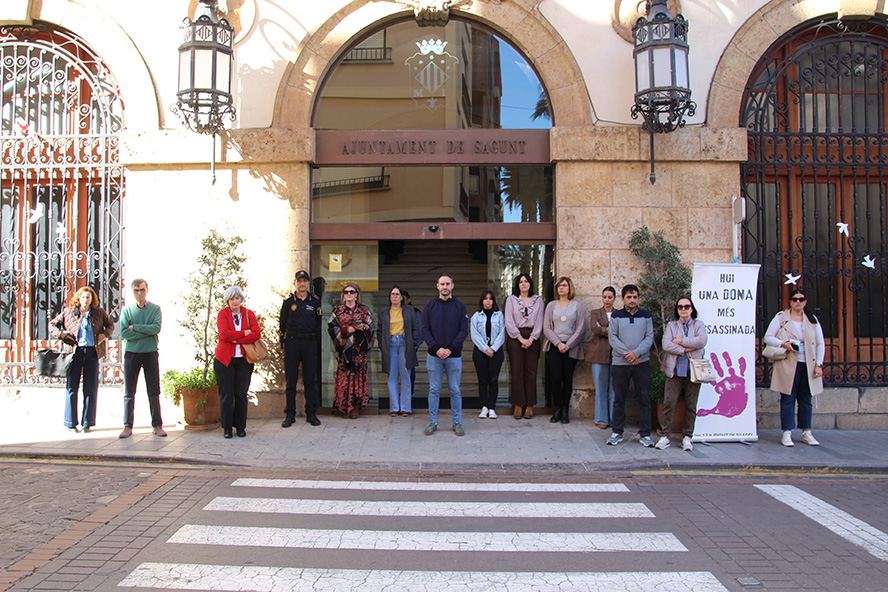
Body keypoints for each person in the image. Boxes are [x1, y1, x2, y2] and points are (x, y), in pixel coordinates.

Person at [764, 287, 825, 447]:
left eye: (801, 299)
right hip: (788, 363)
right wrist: (784, 343)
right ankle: (787, 432)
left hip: (808, 364)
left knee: (806, 398)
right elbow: (768, 337)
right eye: (795, 299)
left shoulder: (812, 320)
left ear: (805, 302)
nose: (798, 302)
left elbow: (820, 343)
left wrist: (819, 364)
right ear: (790, 301)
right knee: (788, 398)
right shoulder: (781, 318)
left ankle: (807, 431)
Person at [50, 286, 115, 433]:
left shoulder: (98, 313)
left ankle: (87, 422)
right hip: (75, 353)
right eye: (83, 297)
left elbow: (110, 325)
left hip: (92, 353)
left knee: (90, 388)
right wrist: (61, 334)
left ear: (92, 299)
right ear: (78, 299)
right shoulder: (69, 312)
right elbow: (52, 324)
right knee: (72, 387)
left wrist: (104, 335)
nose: (86, 299)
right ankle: (70, 422)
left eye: (89, 297)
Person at [656, 296, 707, 452]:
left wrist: (680, 341)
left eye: (687, 306)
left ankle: (687, 436)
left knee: (691, 405)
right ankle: (665, 435)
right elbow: (666, 344)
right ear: (677, 310)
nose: (684, 309)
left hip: (693, 369)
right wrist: (685, 349)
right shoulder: (671, 326)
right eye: (680, 307)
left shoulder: (699, 325)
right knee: (669, 402)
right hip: (675, 369)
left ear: (692, 309)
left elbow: (702, 341)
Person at [607, 284, 655, 447]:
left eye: (635, 297)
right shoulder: (616, 316)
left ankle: (645, 433)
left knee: (644, 398)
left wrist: (637, 353)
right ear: (623, 299)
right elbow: (612, 338)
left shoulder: (646, 316)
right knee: (619, 398)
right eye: (629, 297)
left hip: (641, 363)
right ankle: (617, 432)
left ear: (638, 298)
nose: (632, 300)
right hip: (621, 363)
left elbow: (649, 337)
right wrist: (628, 353)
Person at [421, 273, 469, 436]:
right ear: (437, 286)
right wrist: (436, 349)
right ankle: (432, 422)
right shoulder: (429, 306)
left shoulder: (460, 307)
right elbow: (425, 329)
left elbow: (463, 330)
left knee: (455, 390)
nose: (445, 287)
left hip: (454, 356)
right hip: (434, 356)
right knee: (434, 390)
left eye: (448, 284)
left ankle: (457, 422)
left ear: (452, 286)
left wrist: (450, 349)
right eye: (442, 284)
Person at [118, 279, 165, 438]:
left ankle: (157, 425)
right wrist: (145, 332)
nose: (139, 293)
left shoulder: (155, 309)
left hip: (150, 352)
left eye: (142, 290)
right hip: (132, 353)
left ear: (147, 290)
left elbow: (156, 328)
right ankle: (127, 426)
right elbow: (124, 333)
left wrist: (136, 327)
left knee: (154, 390)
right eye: (136, 290)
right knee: (129, 392)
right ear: (132, 292)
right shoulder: (127, 311)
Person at [214, 286, 261, 439]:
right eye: (232, 299)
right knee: (226, 395)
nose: (235, 301)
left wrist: (235, 338)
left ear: (241, 299)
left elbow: (255, 334)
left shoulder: (249, 314)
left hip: (244, 361)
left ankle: (240, 427)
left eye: (237, 298)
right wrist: (243, 333)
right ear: (227, 300)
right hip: (225, 360)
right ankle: (227, 427)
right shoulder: (223, 314)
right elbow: (224, 334)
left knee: (241, 394)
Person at [280, 270, 323, 427]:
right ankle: (289, 414)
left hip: (309, 343)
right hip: (292, 342)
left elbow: (319, 323)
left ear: (308, 284)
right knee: (291, 380)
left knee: (310, 379)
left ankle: (311, 413)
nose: (302, 283)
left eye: (305, 281)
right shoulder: (288, 303)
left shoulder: (314, 302)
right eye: (299, 281)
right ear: (295, 284)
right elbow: (282, 323)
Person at [543, 276, 586, 424]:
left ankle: (565, 411)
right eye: (559, 285)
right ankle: (557, 409)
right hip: (555, 346)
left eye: (565, 285)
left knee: (567, 379)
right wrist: (558, 343)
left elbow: (581, 328)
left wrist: (568, 344)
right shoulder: (551, 305)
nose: (562, 288)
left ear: (570, 288)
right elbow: (546, 327)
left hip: (571, 347)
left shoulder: (577, 306)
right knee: (555, 378)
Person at [328, 282, 373, 418]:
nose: (349, 294)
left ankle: (355, 408)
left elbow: (371, 327)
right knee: (344, 377)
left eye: (351, 292)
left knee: (358, 377)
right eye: (346, 292)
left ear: (356, 294)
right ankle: (343, 407)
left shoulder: (364, 310)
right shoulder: (337, 310)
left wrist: (363, 328)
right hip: (344, 350)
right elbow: (331, 327)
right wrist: (348, 329)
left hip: (359, 350)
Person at [504, 273, 544, 420]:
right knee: (516, 371)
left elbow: (540, 322)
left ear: (530, 284)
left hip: (533, 338)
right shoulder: (511, 300)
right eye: (521, 282)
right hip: (515, 338)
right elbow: (509, 321)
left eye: (526, 281)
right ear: (517, 285)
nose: (523, 284)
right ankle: (517, 405)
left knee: (531, 372)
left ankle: (530, 405)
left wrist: (532, 339)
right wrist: (521, 339)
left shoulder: (538, 301)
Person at [377, 285, 420, 416]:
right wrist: (381, 344)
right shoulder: (384, 312)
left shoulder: (409, 311)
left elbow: (415, 329)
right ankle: (394, 408)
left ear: (402, 297)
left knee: (406, 376)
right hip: (390, 344)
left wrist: (413, 344)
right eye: (393, 294)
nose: (395, 296)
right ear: (389, 297)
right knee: (392, 376)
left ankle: (406, 408)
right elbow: (379, 330)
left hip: (404, 344)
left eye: (397, 294)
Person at [471, 290, 505, 419]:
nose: (488, 301)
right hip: (480, 352)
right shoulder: (476, 316)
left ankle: (492, 407)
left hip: (496, 352)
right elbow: (475, 335)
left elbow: (502, 334)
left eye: (490, 299)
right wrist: (485, 348)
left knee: (494, 379)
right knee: (483, 380)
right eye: (485, 299)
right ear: (482, 301)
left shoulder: (499, 315)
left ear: (494, 301)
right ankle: (484, 406)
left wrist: (493, 349)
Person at [588, 286, 617, 429]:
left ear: (614, 298)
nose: (607, 300)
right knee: (600, 387)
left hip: (616, 354)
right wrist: (610, 330)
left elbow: (620, 331)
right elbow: (595, 328)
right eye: (605, 297)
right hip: (599, 353)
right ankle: (601, 418)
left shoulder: (620, 314)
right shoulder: (595, 313)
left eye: (610, 297)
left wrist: (604, 329)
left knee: (614, 388)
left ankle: (613, 418)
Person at [402, 290, 423, 396]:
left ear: (409, 300)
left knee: (410, 370)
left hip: (410, 346)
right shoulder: (393, 311)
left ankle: (409, 394)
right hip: (396, 346)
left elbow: (420, 328)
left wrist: (416, 345)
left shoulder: (415, 312)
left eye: (403, 298)